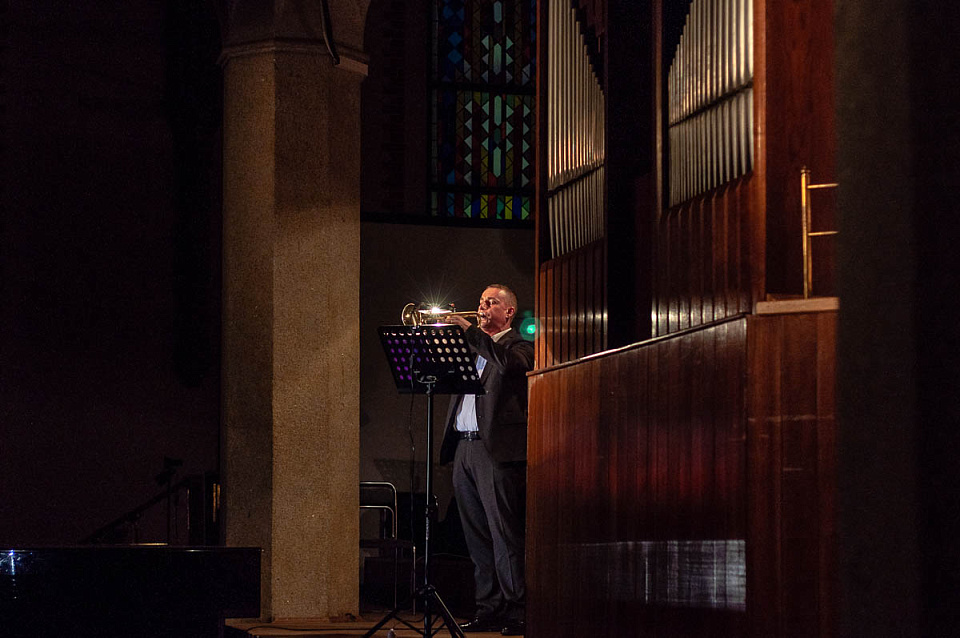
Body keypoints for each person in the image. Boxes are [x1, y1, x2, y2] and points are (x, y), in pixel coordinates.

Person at [441, 284, 534, 636]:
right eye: (480, 302)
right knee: (476, 536)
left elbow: (511, 365)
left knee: (503, 535)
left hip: (494, 450)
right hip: (464, 448)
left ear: (508, 311)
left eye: (490, 302)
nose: (481, 308)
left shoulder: (519, 346)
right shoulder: (472, 348)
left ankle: (517, 610)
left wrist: (473, 334)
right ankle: (488, 607)